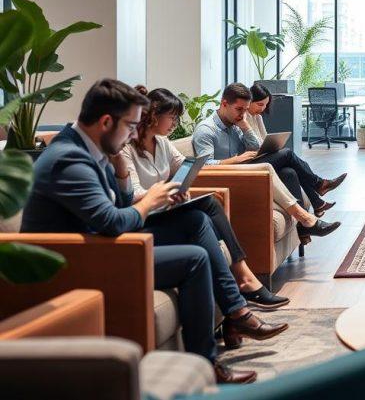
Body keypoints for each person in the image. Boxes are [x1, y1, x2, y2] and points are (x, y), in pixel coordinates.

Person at [21, 79, 288, 385]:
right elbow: (113, 222)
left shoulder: (88, 149)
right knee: (195, 259)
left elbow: (118, 204)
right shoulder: (69, 160)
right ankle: (209, 357)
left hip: (104, 246)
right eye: (130, 126)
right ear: (107, 121)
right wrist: (149, 200)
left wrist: (121, 169)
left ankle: (235, 316)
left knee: (195, 221)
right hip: (82, 261)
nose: (134, 134)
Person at [123, 86, 289, 310]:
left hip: (164, 210)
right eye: (172, 118)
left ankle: (241, 290)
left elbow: (186, 165)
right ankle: (244, 281)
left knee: (207, 206)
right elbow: (134, 195)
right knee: (205, 211)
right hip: (145, 216)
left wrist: (183, 183)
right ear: (153, 116)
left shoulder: (162, 143)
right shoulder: (125, 150)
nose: (175, 124)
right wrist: (165, 192)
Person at [192, 83, 341, 244]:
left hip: (243, 170)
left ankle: (304, 225)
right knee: (284, 156)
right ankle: (315, 192)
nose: (243, 114)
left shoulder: (236, 125)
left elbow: (257, 147)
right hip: (228, 179)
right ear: (224, 104)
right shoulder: (206, 130)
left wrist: (245, 126)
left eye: (245, 109)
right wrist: (235, 160)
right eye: (239, 109)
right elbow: (204, 166)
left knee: (289, 173)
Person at [246, 83, 348, 190]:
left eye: (265, 105)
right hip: (253, 160)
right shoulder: (243, 120)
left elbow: (264, 138)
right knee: (288, 154)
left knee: (291, 172)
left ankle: (318, 202)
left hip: (262, 155)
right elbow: (255, 145)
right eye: (260, 104)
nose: (263, 109)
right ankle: (319, 183)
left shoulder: (257, 117)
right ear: (249, 101)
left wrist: (273, 145)